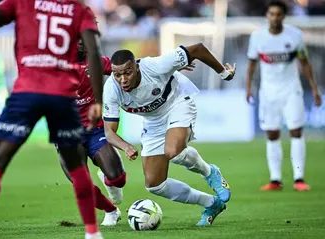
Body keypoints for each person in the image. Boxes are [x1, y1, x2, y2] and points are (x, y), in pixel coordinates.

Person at [0, 0, 105, 239]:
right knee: (76, 165)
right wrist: (97, 101)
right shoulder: (79, 9)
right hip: (62, 96)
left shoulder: (21, 3)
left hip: (27, 92)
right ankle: (92, 233)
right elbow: (93, 51)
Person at [103, 44, 235, 226]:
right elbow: (109, 131)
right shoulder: (111, 88)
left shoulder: (155, 66)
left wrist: (224, 73)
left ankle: (210, 172)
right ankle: (212, 204)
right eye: (117, 74)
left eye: (128, 72)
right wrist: (126, 146)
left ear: (137, 66)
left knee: (173, 151)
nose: (123, 79)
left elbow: (197, 49)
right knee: (155, 185)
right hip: (153, 121)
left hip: (177, 102)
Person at [246, 0, 322, 192]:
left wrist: (314, 88)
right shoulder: (257, 37)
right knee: (272, 134)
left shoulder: (295, 35)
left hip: (291, 90)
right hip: (268, 92)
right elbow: (251, 65)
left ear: (283, 16)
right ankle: (275, 180)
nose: (275, 17)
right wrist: (248, 88)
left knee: (296, 131)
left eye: (278, 14)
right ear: (267, 16)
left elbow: (305, 62)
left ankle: (299, 178)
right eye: (271, 14)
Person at [58, 40, 125, 226]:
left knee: (118, 179)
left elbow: (127, 66)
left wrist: (167, 69)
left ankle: (107, 176)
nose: (82, 43)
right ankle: (111, 211)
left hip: (94, 129)